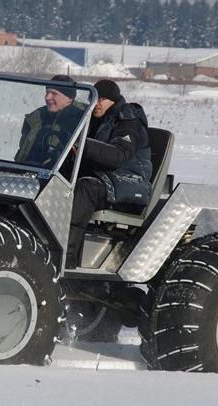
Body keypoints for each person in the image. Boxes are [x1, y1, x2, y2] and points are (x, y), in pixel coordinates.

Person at [66, 79, 152, 268]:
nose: (97, 103)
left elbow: (118, 155)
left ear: (113, 100)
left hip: (126, 184)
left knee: (85, 188)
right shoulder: (94, 120)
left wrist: (83, 143)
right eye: (94, 98)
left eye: (102, 99)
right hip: (104, 180)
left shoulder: (129, 121)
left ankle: (66, 259)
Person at [15, 75, 85, 167]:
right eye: (47, 92)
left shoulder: (80, 121)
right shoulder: (35, 119)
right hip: (24, 171)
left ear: (69, 99)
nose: (47, 97)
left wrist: (55, 160)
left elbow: (77, 155)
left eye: (54, 93)